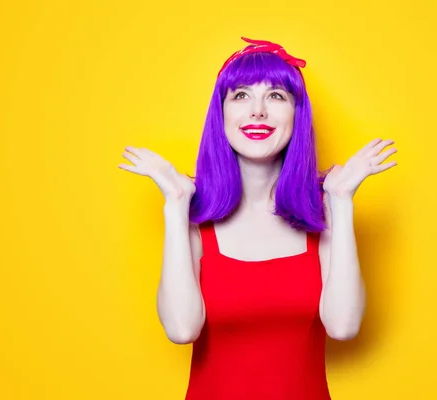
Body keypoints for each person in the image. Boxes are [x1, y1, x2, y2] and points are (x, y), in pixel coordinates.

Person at [118, 37, 397, 399]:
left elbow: (343, 325)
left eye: (277, 96)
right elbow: (181, 329)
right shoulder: (194, 216)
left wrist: (340, 202)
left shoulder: (323, 212)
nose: (258, 111)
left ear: (298, 114)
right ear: (221, 114)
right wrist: (175, 204)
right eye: (241, 95)